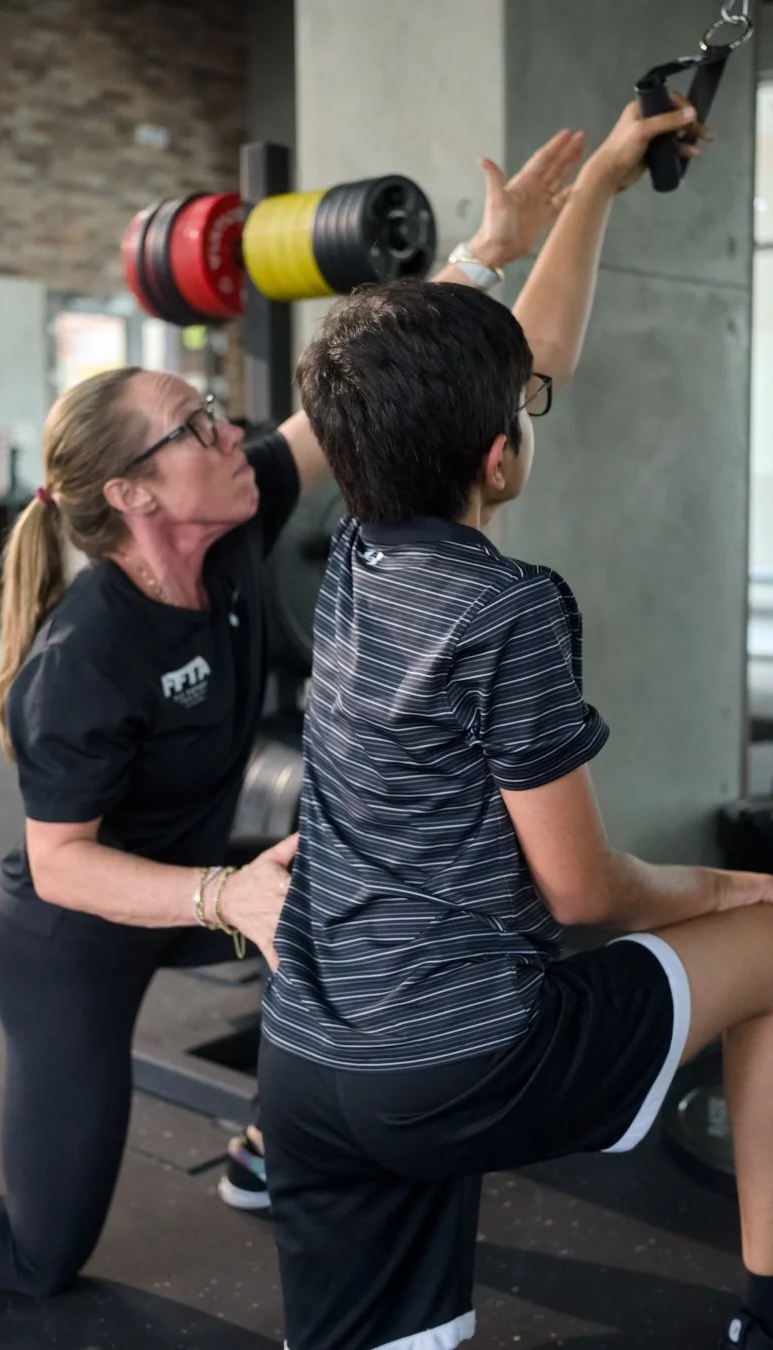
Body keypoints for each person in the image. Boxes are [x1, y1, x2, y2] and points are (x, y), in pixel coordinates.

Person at [0, 102, 649, 1297]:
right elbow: (64, 864)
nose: (228, 428)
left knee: (362, 906)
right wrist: (221, 893)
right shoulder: (83, 657)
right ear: (133, 496)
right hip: (76, 937)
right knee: (38, 1253)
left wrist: (487, 253)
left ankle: (271, 1143)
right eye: (192, 427)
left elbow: (387, 390)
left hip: (201, 876)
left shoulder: (237, 516)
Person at [258, 103, 773, 1350]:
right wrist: (719, 889)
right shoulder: (505, 606)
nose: (540, 399)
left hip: (309, 1061)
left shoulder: (352, 551)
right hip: (460, 1065)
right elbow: (582, 891)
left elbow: (452, 372)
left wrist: (591, 191)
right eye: (526, 407)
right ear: (499, 457)